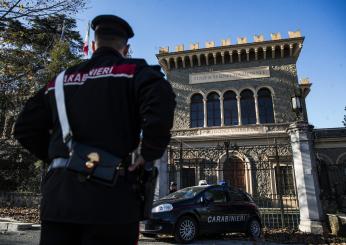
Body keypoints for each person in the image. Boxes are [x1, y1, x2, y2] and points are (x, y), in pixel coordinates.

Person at [14, 15, 176, 245]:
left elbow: (24, 128)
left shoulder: (59, 81)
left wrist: (63, 157)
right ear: (125, 48)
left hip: (59, 199)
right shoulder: (134, 71)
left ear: (92, 45)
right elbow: (161, 102)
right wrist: (147, 152)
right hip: (113, 202)